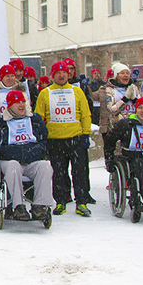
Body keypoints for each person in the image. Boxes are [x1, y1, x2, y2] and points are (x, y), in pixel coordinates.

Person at [0, 89, 53, 222]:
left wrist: (35, 151)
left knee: (45, 166)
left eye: (23, 101)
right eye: (17, 102)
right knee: (14, 166)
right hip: (8, 160)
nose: (21, 105)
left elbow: (44, 141)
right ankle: (17, 206)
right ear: (9, 105)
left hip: (31, 159)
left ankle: (40, 205)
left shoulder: (34, 120)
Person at [34, 61, 92, 216]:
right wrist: (42, 137)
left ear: (69, 74)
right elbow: (39, 117)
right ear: (52, 75)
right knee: (59, 173)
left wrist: (86, 134)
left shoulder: (77, 91)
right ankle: (60, 201)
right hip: (55, 139)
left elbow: (85, 113)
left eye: (64, 72)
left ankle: (82, 202)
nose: (61, 75)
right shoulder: (45, 93)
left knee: (79, 172)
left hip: (75, 137)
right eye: (58, 73)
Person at [99, 63, 138, 169]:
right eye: (122, 73)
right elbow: (112, 109)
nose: (125, 75)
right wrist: (125, 99)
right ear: (116, 75)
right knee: (118, 154)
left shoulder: (133, 87)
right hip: (118, 124)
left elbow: (142, 108)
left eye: (127, 73)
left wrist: (134, 99)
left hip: (134, 124)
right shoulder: (110, 89)